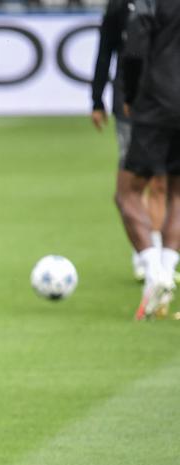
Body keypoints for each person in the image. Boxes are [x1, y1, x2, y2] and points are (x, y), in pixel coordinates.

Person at [91, 0, 168, 283]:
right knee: (134, 183)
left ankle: (157, 258)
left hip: (164, 104)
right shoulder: (119, 7)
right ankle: (143, 253)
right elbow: (105, 51)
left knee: (160, 182)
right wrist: (96, 98)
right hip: (128, 105)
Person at [118, 0, 180, 319]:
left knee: (127, 193)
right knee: (177, 194)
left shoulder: (149, 3)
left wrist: (129, 96)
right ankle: (169, 272)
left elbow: (133, 52)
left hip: (156, 104)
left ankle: (154, 272)